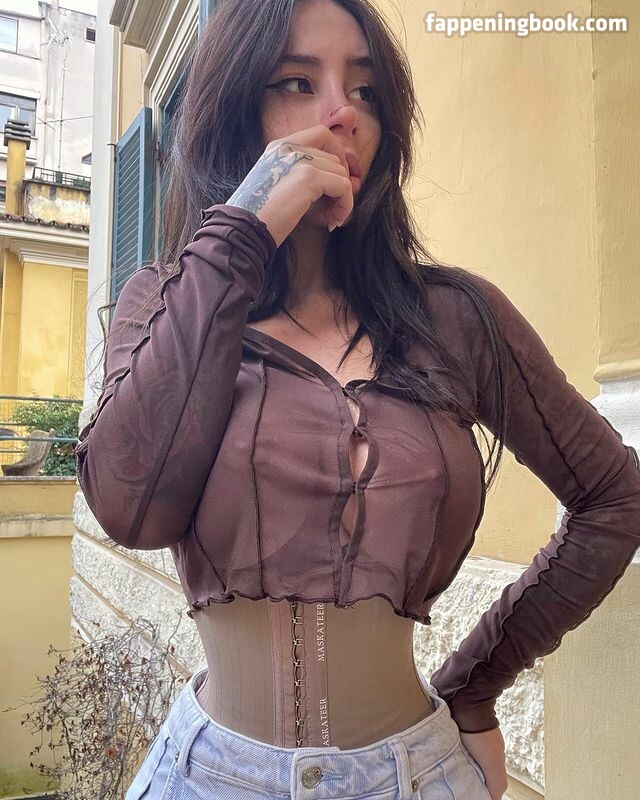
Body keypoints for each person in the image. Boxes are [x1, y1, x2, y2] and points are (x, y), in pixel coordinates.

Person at [75, 1, 640, 799]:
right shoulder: (171, 306)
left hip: (417, 773)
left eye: (367, 91)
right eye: (296, 82)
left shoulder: (455, 317)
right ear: (235, 111)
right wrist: (241, 236)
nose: (342, 114)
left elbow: (615, 497)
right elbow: (129, 510)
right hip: (208, 777)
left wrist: (475, 683)